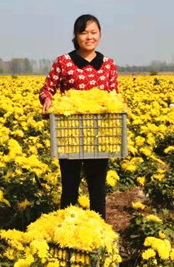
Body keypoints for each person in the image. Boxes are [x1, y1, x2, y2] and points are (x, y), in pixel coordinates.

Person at [39, 14, 118, 220]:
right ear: (76, 35)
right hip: (70, 133)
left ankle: (99, 233)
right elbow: (46, 90)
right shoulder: (63, 62)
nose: (89, 37)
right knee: (70, 187)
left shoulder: (108, 64)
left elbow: (114, 96)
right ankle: (68, 229)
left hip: (100, 135)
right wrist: (47, 100)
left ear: (100, 34)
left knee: (98, 188)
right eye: (84, 32)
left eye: (93, 32)